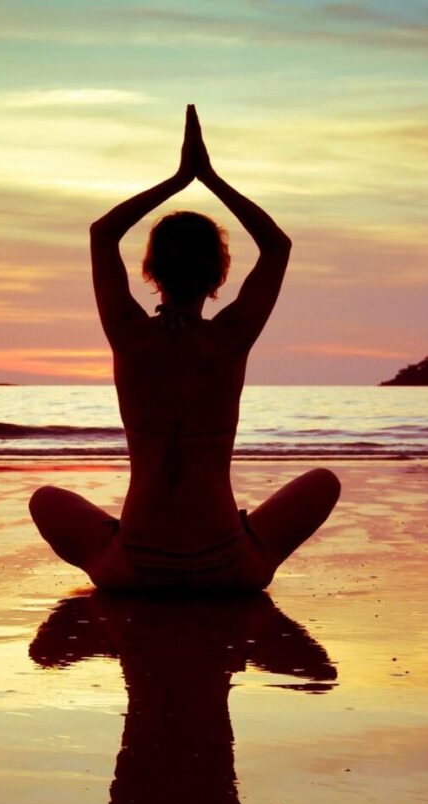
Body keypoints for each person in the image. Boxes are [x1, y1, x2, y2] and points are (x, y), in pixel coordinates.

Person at [28, 105, 340, 591]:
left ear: (150, 272)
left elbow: (102, 233)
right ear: (219, 276)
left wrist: (178, 179)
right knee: (324, 481)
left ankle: (116, 545)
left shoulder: (130, 335)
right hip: (228, 570)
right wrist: (209, 178)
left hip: (133, 570)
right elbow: (276, 246)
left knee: (45, 498)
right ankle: (236, 540)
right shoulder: (229, 339)